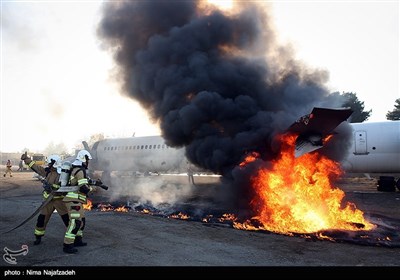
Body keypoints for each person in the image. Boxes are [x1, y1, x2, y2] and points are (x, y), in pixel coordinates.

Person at [21, 152, 69, 245]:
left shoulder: (63, 173)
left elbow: (64, 187)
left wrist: (52, 186)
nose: (48, 165)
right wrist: (26, 160)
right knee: (41, 219)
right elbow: (36, 168)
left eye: (50, 163)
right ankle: (38, 237)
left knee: (67, 220)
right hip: (48, 202)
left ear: (55, 163)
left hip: (59, 201)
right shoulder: (48, 172)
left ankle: (75, 237)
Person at [62, 149, 101, 254]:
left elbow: (82, 182)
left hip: (76, 200)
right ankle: (68, 245)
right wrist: (93, 189)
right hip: (73, 200)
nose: (88, 162)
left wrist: (95, 183)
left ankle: (78, 240)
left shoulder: (76, 169)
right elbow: (83, 187)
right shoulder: (80, 171)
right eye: (88, 160)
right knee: (75, 223)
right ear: (84, 159)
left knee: (81, 221)